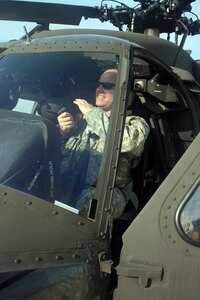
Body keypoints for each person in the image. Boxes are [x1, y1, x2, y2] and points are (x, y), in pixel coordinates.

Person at [57, 68, 149, 219]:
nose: (99, 89)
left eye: (107, 86)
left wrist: (91, 113)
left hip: (106, 192)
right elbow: (54, 156)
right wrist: (60, 132)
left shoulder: (135, 124)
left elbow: (129, 143)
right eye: (99, 84)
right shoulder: (79, 123)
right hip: (67, 186)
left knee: (94, 200)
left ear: (123, 93)